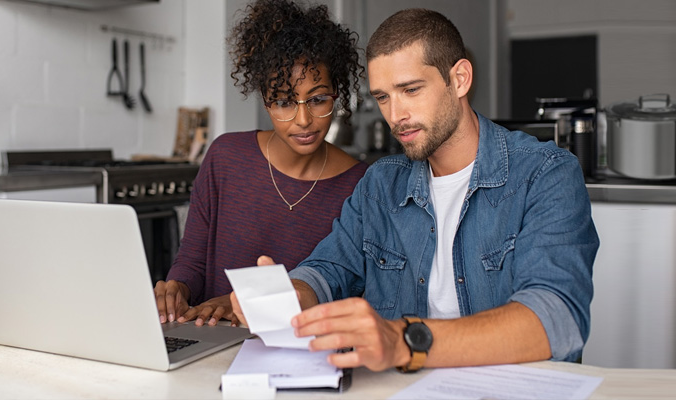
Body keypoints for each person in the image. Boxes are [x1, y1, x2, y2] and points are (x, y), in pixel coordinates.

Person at [232, 8, 599, 372]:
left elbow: (557, 319)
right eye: (383, 97)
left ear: (459, 79)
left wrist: (405, 341)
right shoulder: (380, 185)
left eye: (410, 90)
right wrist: (291, 294)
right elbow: (328, 269)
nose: (395, 115)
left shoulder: (545, 173)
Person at [154, 0, 368, 327]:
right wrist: (177, 289)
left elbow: (344, 291)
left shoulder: (360, 185)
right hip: (211, 342)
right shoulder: (225, 157)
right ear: (265, 100)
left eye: (318, 99)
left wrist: (240, 303)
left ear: (336, 93)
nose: (303, 120)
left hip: (299, 354)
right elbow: (193, 262)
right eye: (283, 102)